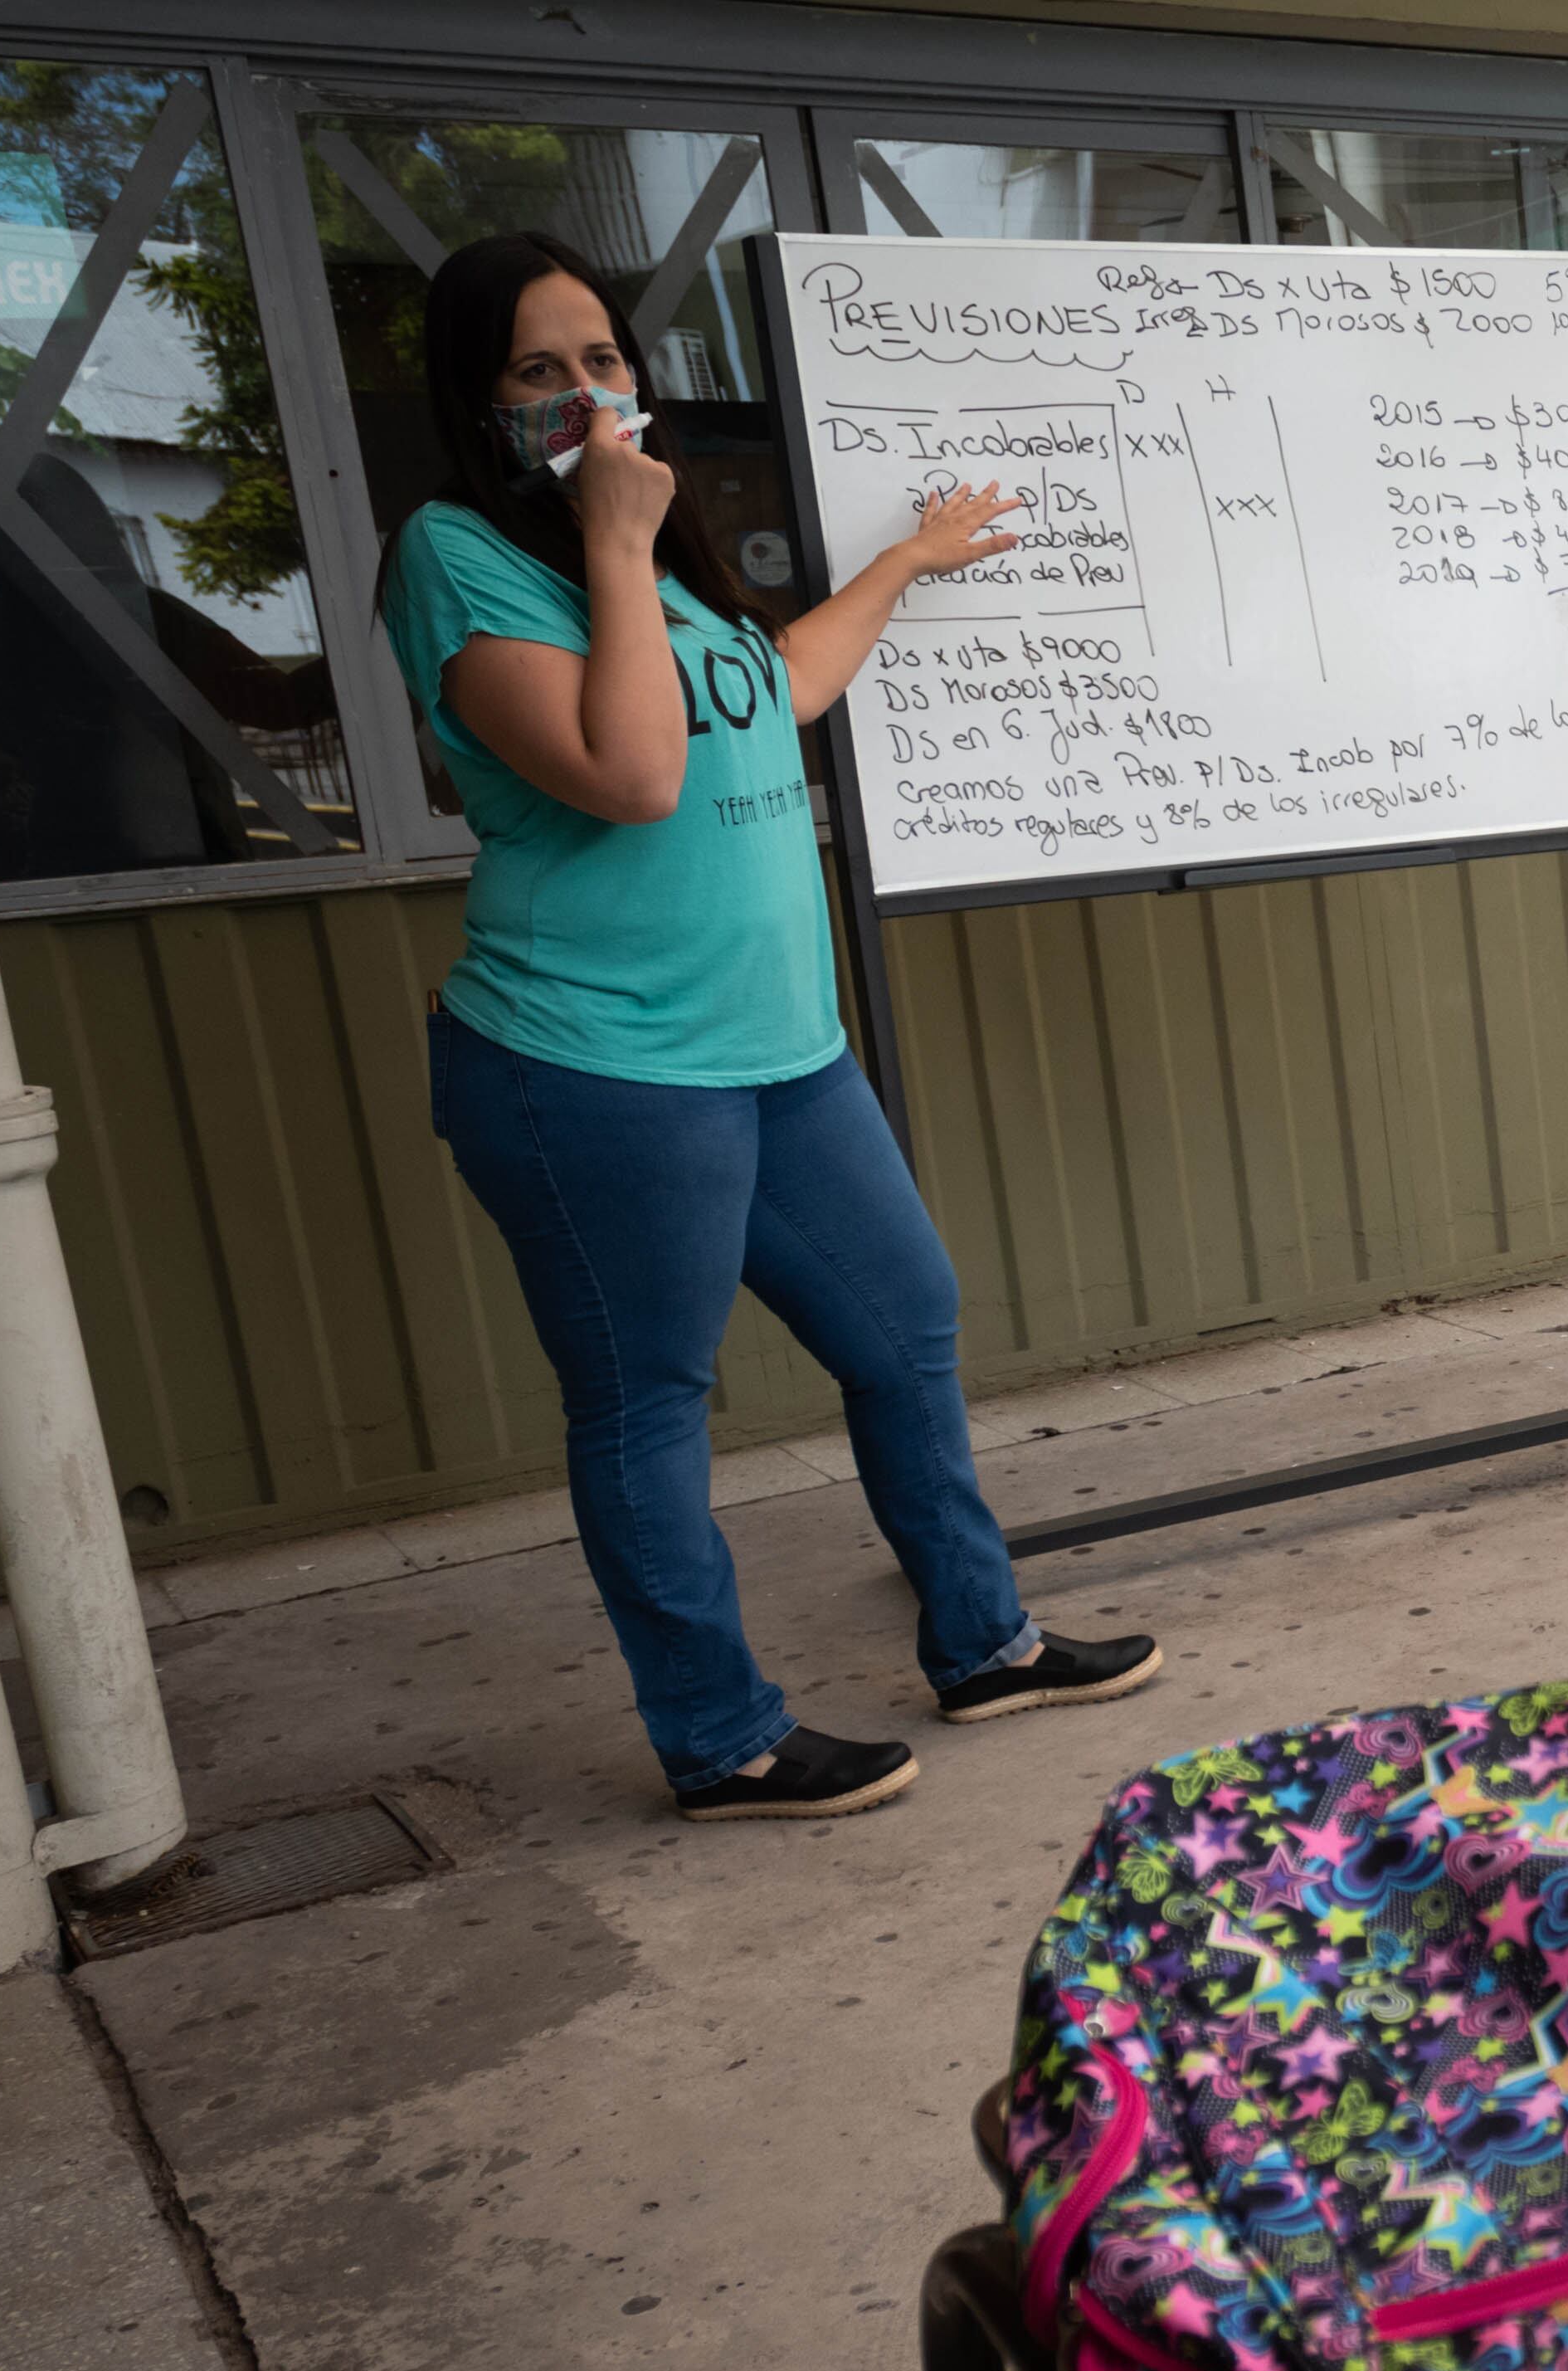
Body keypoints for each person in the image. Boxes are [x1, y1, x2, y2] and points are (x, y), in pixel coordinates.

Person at [381, 233, 1157, 1825]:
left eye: (604, 360)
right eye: (541, 370)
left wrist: (903, 563)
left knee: (904, 1324)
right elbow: (633, 771)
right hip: (591, 1067)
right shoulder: (460, 554)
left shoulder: (660, 567)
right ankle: (720, 1737)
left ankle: (982, 1641)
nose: (588, 393)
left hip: (776, 1056)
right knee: (651, 1400)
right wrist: (610, 536)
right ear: (481, 400)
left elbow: (776, 685)